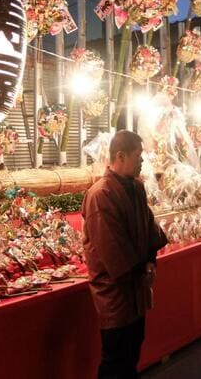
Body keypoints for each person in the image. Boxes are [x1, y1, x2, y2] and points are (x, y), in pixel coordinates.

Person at [82, 130, 167, 378]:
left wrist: (151, 259)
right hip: (115, 291)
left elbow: (149, 225)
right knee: (115, 359)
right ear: (120, 156)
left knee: (132, 352)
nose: (143, 161)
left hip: (136, 285)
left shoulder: (136, 187)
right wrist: (141, 268)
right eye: (139, 155)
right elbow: (111, 247)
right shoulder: (100, 194)